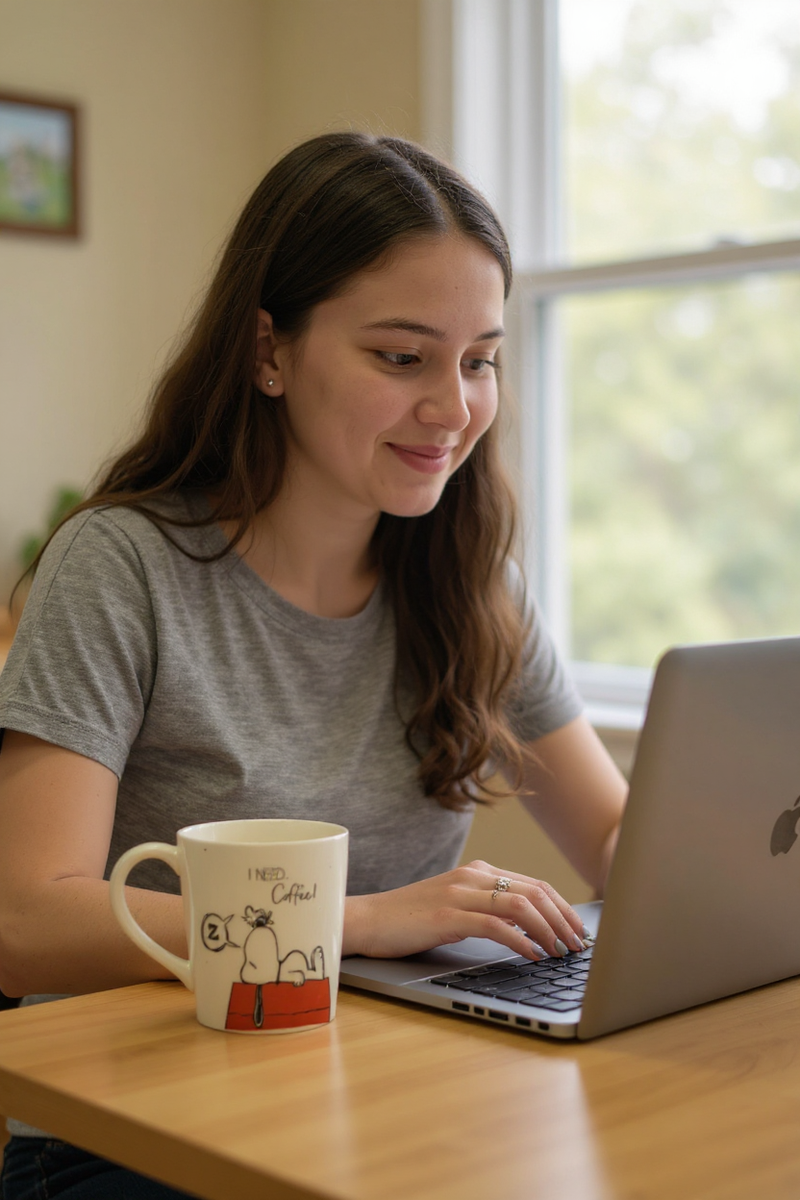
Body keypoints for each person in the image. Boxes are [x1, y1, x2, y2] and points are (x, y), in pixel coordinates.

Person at [0, 131, 627, 1198]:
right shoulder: (122, 565)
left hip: (380, 1107)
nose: (453, 408)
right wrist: (358, 922)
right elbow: (24, 920)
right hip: (130, 1139)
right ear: (269, 351)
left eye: (479, 360)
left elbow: (617, 843)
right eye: (402, 357)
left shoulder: (474, 584)